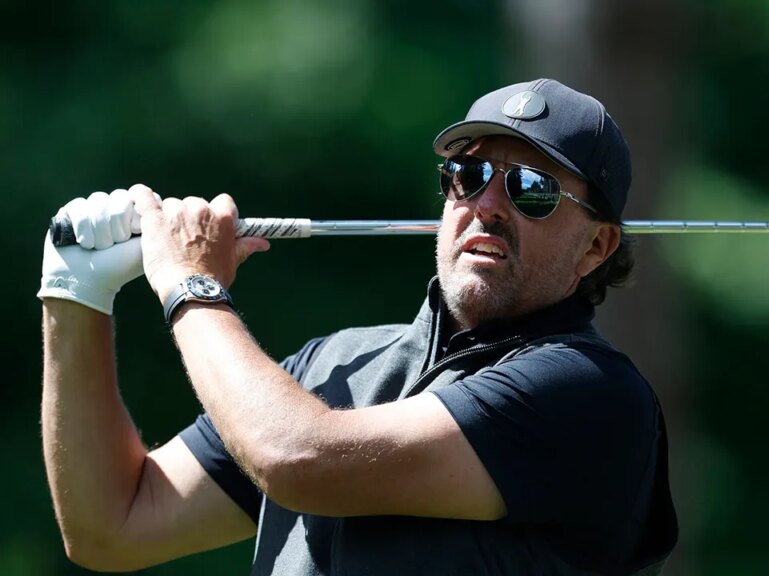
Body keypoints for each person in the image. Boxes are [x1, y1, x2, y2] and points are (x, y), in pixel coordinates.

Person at [39, 79, 677, 575]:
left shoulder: (590, 394)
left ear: (596, 246)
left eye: (531, 189)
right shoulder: (334, 365)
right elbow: (112, 525)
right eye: (470, 175)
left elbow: (297, 459)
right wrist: (76, 296)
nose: (486, 205)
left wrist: (190, 284)